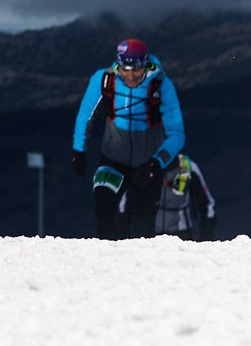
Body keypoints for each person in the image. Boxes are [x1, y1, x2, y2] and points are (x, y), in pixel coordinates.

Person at [71, 38, 185, 239]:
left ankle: (141, 266)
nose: (130, 75)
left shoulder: (162, 86)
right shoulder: (103, 79)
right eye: (125, 69)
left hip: (148, 163)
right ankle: (110, 259)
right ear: (118, 65)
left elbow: (177, 134)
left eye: (136, 70)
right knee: (103, 209)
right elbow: (85, 114)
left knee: (144, 225)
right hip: (113, 159)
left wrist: (156, 163)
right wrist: (78, 150)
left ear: (145, 64)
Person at [120, 152, 218, 240]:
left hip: (181, 235)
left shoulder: (188, 167)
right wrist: (123, 237)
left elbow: (207, 204)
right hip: (150, 235)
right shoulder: (144, 167)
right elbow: (126, 203)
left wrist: (206, 239)